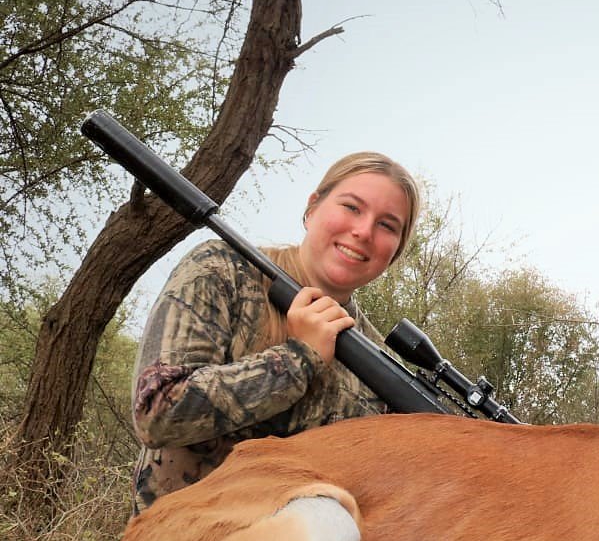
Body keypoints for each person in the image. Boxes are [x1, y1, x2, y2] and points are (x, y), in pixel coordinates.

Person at [130, 152, 421, 509]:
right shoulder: (222, 271)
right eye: (351, 207)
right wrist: (300, 358)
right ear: (313, 207)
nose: (363, 232)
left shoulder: (381, 364)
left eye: (387, 225)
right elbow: (157, 415)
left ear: (396, 251)